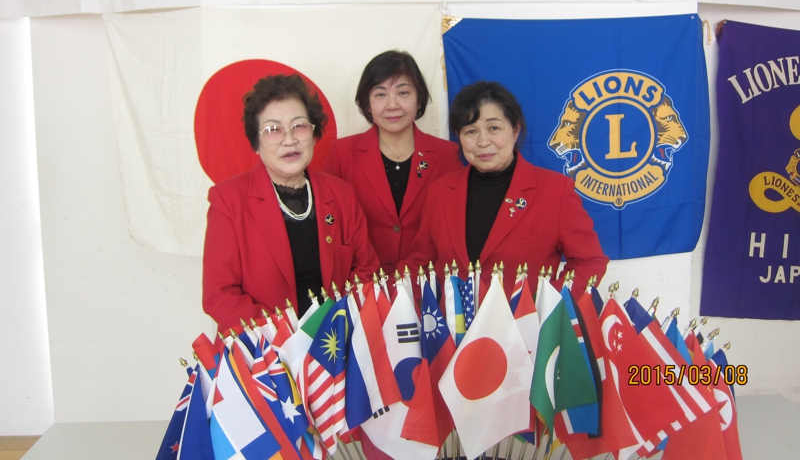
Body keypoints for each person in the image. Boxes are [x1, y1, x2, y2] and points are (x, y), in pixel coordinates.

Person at [202, 74, 380, 331]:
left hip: (335, 339)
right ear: (256, 143)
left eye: (299, 126)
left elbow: (366, 270)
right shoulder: (228, 200)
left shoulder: (342, 194)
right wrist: (287, 338)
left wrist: (336, 327)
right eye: (273, 130)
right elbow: (219, 295)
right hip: (264, 347)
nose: (289, 139)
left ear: (314, 134)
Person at [406, 81, 608, 298]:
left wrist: (547, 306)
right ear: (459, 136)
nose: (483, 141)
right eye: (471, 131)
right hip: (455, 320)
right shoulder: (440, 192)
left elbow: (589, 261)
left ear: (515, 129)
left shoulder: (555, 191)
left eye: (494, 128)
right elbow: (420, 264)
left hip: (526, 319)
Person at [323, 51, 462, 274]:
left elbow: (452, 229)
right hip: (362, 282)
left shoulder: (447, 154)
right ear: (367, 103)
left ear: (419, 99)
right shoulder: (341, 153)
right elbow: (331, 229)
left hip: (427, 283)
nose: (392, 105)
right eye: (380, 94)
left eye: (403, 92)